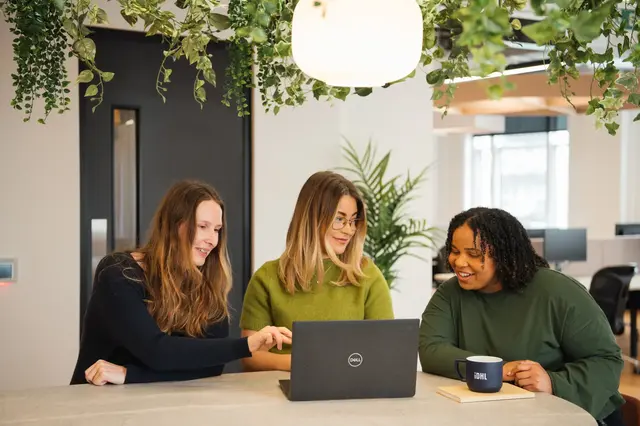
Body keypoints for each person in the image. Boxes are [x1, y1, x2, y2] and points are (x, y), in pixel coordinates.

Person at [70, 180, 291, 386]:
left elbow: (211, 365)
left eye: (216, 229)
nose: (212, 240)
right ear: (175, 226)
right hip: (95, 402)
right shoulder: (119, 273)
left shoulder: (208, 282)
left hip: (162, 404)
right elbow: (157, 351)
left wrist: (129, 375)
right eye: (202, 226)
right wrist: (247, 346)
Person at [418, 207, 624, 426]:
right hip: (490, 416)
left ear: (503, 254)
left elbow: (606, 361)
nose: (458, 262)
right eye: (454, 251)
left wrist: (552, 382)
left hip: (566, 418)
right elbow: (431, 349)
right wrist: (500, 370)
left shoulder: (559, 292)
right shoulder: (450, 293)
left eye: (473, 254)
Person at [239, 171, 394, 372]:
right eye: (339, 219)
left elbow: (386, 348)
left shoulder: (366, 275)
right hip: (279, 394)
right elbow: (250, 356)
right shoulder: (267, 277)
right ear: (312, 219)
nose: (349, 230)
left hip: (350, 392)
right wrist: (306, 364)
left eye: (353, 220)